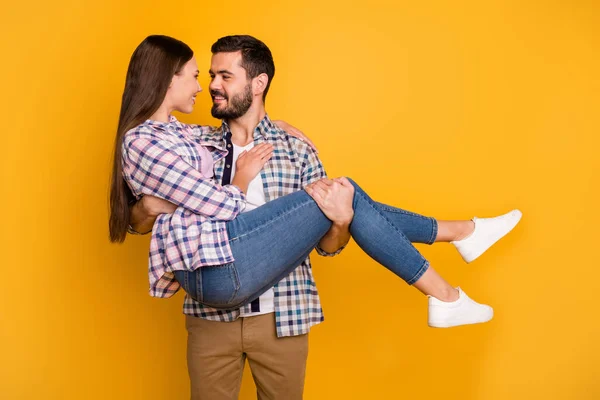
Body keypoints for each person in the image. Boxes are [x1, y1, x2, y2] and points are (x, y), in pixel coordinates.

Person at [109, 35, 522, 399]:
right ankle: (454, 255)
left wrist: (340, 221)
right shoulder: (199, 141)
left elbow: (330, 245)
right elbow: (148, 206)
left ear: (258, 84)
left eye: (223, 76)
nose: (212, 85)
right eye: (206, 75)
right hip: (212, 313)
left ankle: (455, 255)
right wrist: (151, 205)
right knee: (340, 191)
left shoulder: (295, 150)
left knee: (340, 198)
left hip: (283, 315)